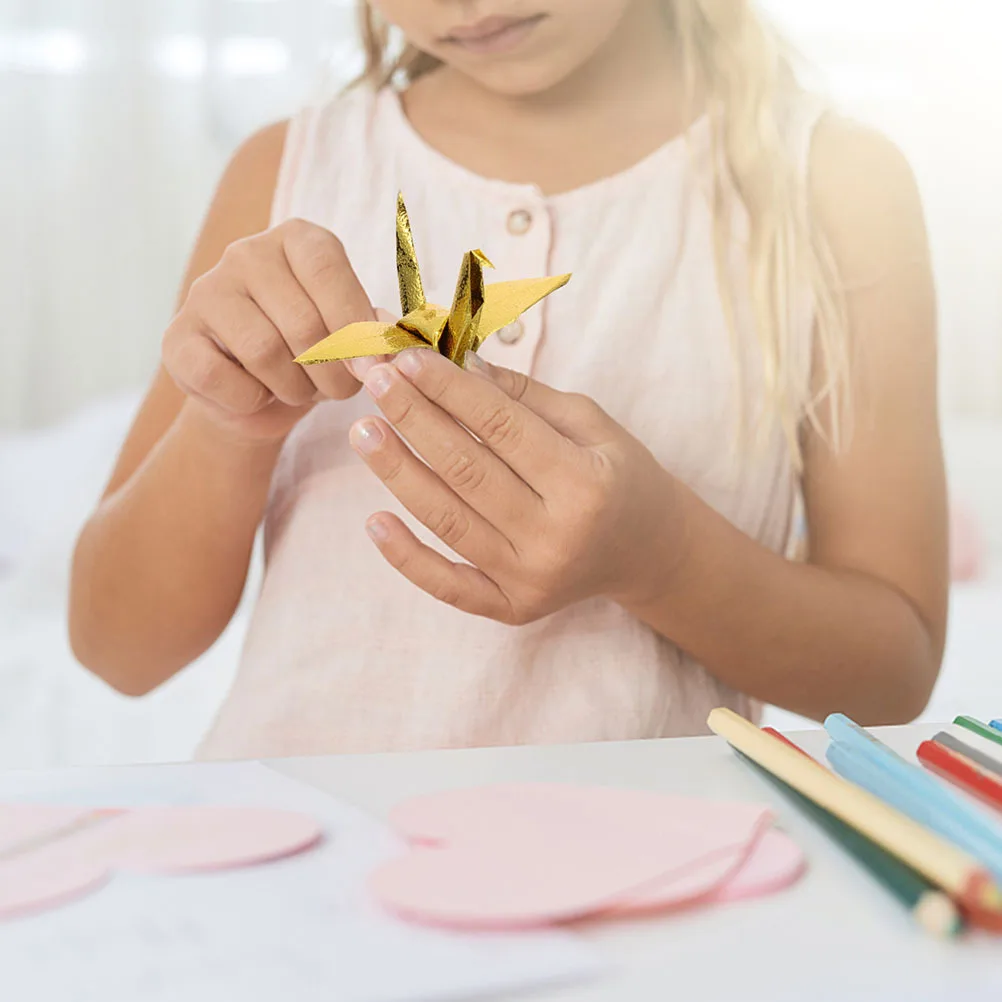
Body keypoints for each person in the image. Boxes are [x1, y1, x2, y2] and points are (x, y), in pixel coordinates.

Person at [69, 0, 947, 758]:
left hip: (647, 868)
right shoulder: (286, 170)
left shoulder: (834, 187)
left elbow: (891, 673)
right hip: (303, 862)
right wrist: (226, 425)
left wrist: (662, 558)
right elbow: (116, 647)